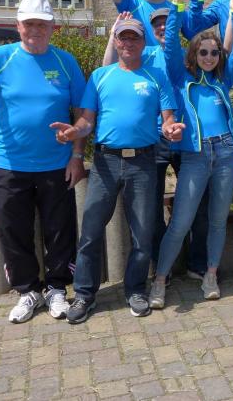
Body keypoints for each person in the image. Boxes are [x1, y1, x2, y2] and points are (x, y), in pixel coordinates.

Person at [0, 0, 86, 323]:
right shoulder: (0, 56)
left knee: (60, 231)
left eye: (42, 24)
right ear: (18, 26)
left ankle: (56, 289)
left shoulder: (65, 61)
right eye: (29, 23)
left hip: (56, 165)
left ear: (52, 27)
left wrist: (77, 156)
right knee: (14, 232)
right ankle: (28, 292)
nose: (36, 29)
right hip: (9, 165)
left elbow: (82, 113)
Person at [53, 18, 182, 324]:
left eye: (134, 38)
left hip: (143, 162)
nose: (128, 43)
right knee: (91, 231)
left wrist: (171, 129)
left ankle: (135, 289)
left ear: (143, 43)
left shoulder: (156, 76)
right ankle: (84, 294)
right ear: (116, 41)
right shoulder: (100, 76)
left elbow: (168, 118)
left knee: (143, 233)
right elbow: (87, 120)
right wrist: (74, 132)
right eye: (123, 38)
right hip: (105, 163)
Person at [148, 0, 233, 306]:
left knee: (218, 220)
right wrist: (179, 4)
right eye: (203, 52)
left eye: (214, 53)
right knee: (180, 222)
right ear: (193, 54)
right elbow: (169, 46)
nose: (209, 57)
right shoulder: (181, 77)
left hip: (227, 154)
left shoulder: (222, 80)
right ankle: (160, 280)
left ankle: (211, 275)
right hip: (196, 155)